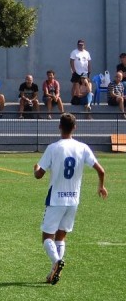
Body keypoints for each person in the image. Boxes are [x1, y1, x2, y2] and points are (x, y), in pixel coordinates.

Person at [34, 113, 107, 285]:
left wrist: (36, 168)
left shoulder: (53, 147)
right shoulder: (82, 147)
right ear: (75, 127)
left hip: (56, 199)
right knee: (61, 237)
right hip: (73, 199)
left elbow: (39, 175)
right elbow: (101, 170)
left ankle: (56, 262)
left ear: (59, 127)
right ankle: (55, 268)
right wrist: (101, 186)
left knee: (47, 237)